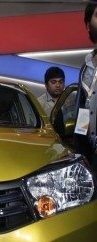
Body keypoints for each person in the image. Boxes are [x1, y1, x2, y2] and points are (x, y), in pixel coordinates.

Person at [74, 1, 97, 165]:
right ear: (88, 25)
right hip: (91, 154)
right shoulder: (86, 67)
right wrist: (80, 151)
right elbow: (83, 109)